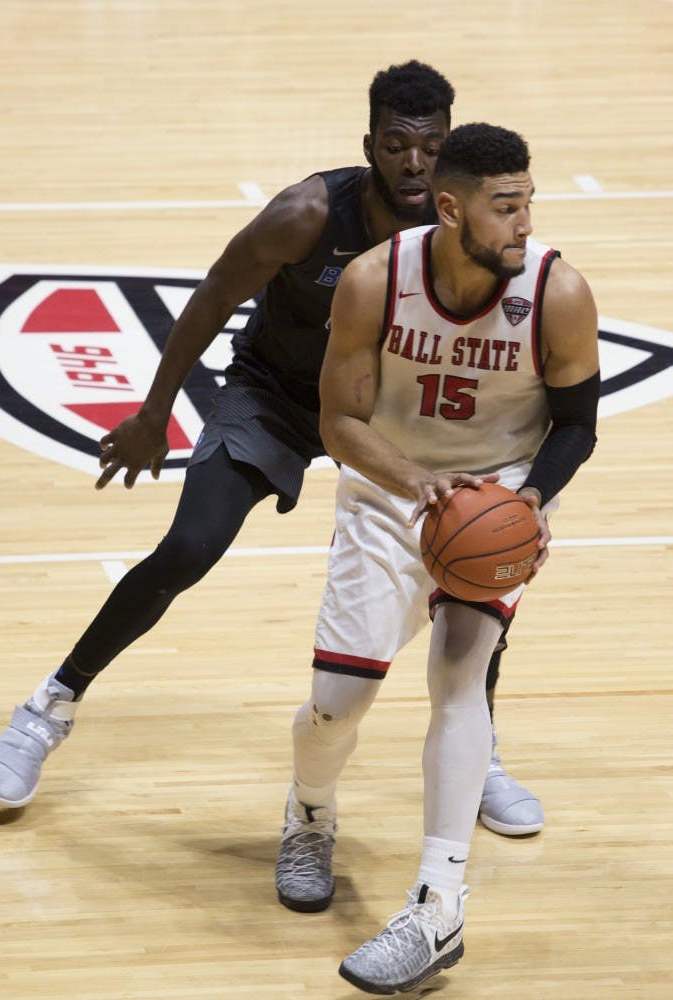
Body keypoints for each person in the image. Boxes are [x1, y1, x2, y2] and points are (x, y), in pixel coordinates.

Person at [0, 62, 538, 837]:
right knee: (188, 546)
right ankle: (50, 704)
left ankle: (479, 752)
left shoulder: (456, 230)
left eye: (430, 148)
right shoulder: (306, 214)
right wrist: (152, 412)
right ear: (368, 144)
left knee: (475, 563)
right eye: (395, 146)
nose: (412, 164)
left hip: (384, 415)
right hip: (273, 397)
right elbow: (213, 294)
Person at [274, 123, 599, 994]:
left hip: (493, 503)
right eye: (504, 206)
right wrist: (417, 483)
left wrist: (525, 502)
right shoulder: (377, 281)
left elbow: (575, 426)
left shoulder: (557, 292)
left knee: (459, 677)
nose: (523, 221)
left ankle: (435, 906)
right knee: (338, 706)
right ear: (450, 208)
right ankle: (308, 809)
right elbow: (339, 422)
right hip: (390, 496)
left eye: (527, 201)